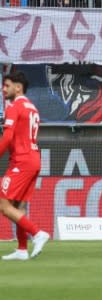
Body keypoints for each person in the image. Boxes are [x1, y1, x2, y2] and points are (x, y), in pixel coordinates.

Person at [0, 71, 51, 260]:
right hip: (34, 158)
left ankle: (37, 233)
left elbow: (7, 137)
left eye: (7, 85)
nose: (3, 89)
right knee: (17, 206)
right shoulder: (32, 107)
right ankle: (22, 249)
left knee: (3, 205)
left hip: (22, 160)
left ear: (18, 87)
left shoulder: (13, 107)